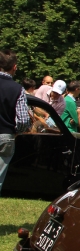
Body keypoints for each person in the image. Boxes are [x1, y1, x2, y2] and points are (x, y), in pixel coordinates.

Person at [0, 50, 31, 195]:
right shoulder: (18, 89)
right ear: (14, 67)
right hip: (5, 135)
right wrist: (18, 131)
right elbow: (24, 120)